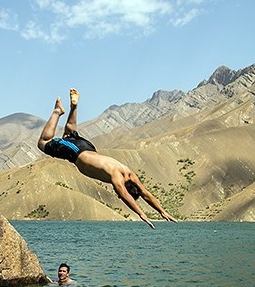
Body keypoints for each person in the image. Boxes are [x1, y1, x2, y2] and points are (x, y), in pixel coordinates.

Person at [37, 88, 178, 229]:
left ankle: (74, 107)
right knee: (43, 142)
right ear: (126, 188)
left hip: (88, 148)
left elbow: (145, 193)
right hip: (77, 152)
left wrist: (162, 211)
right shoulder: (117, 178)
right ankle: (57, 112)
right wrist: (141, 214)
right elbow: (125, 195)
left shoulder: (130, 175)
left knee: (69, 134)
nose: (118, 193)